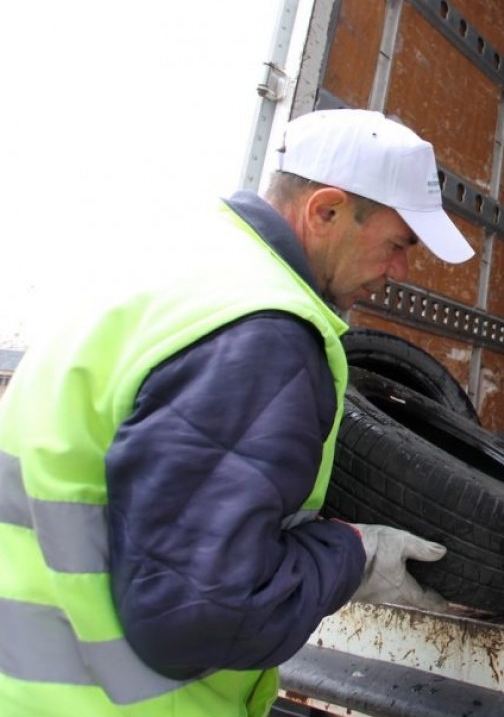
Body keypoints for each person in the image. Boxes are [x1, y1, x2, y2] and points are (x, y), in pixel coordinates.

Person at [0, 109, 476, 716]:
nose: (401, 271)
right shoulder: (260, 332)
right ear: (325, 212)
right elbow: (197, 616)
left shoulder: (180, 268)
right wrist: (351, 556)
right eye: (397, 244)